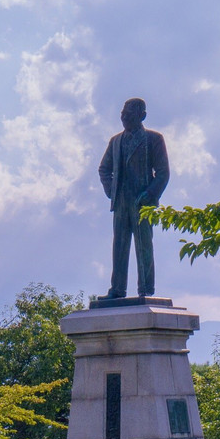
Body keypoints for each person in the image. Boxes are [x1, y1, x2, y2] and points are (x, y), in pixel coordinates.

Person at [98, 97, 169, 298]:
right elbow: (104, 169)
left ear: (142, 116)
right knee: (119, 245)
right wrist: (112, 191)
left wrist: (150, 193)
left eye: (129, 112)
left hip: (142, 202)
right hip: (121, 202)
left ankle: (146, 289)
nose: (124, 115)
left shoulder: (154, 139)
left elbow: (163, 172)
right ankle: (117, 289)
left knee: (143, 245)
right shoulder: (115, 141)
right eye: (123, 111)